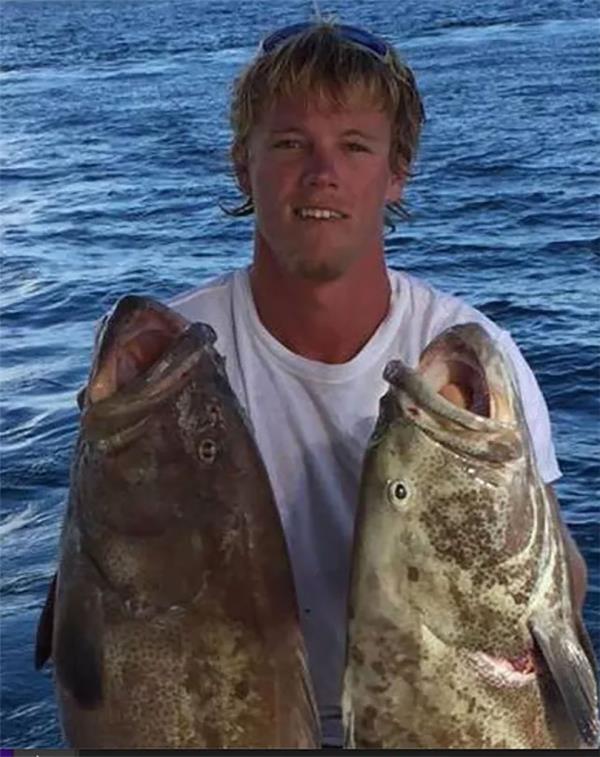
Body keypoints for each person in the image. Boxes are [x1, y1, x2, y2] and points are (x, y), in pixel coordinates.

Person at [169, 21, 587, 747]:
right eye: (290, 142)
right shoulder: (169, 363)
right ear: (245, 165)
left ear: (396, 172)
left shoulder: (474, 364)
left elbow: (559, 582)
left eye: (354, 146)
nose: (321, 172)